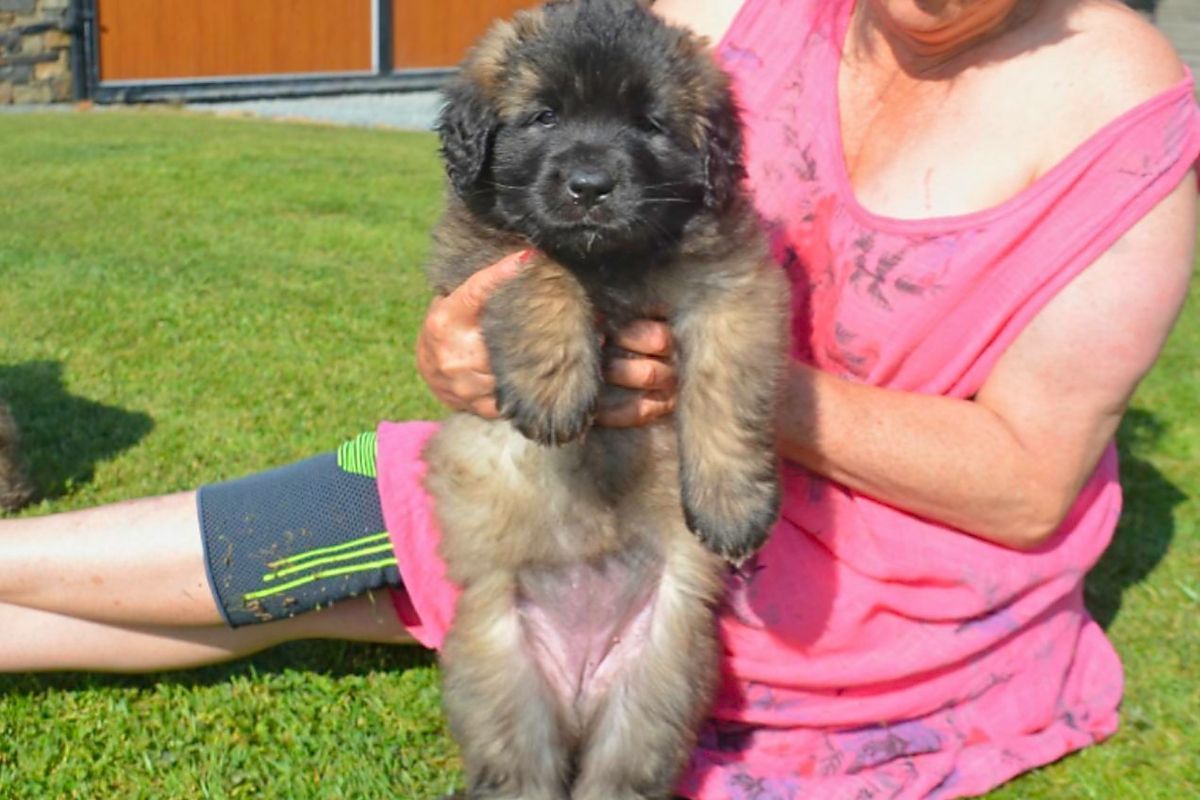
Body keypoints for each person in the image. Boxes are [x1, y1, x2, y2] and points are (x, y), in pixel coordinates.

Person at [1, 0, 1196, 796]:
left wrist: (722, 386)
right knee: (291, 549)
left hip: (844, 588)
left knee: (332, 578)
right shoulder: (723, 15)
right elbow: (502, 210)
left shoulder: (1119, 109)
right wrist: (460, 341)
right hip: (548, 488)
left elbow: (1027, 483)